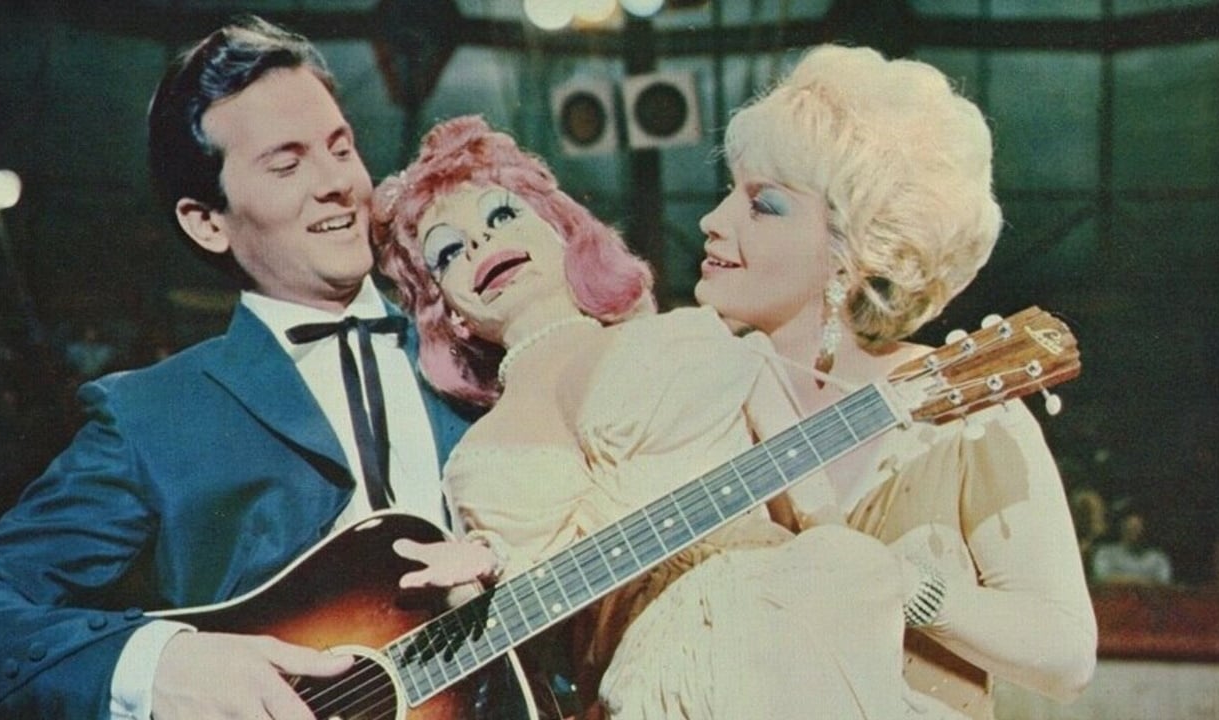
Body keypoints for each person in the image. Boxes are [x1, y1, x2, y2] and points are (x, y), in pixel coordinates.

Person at [0, 17, 502, 720]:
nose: (336, 184)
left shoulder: (487, 342)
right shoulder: (150, 416)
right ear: (207, 221)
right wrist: (160, 664)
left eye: (341, 147)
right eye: (286, 165)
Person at [374, 115, 966, 719]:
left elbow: (818, 517)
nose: (479, 244)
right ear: (451, 314)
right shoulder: (473, 461)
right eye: (448, 252)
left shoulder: (694, 336)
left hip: (779, 644)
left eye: (502, 216)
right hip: (634, 691)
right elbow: (532, 664)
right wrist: (476, 585)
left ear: (562, 232)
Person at [693, 45, 1098, 718]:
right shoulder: (693, 401)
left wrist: (910, 588)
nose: (713, 221)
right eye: (729, 193)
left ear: (853, 249)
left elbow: (1067, 655)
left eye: (763, 204)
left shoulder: (971, 420)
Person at [1091, 511, 1173, 585]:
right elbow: (1102, 578)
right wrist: (1141, 582)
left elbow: (1164, 585)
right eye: (1131, 529)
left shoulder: (1158, 558)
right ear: (1122, 529)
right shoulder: (1106, 553)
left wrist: (1121, 579)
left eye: (1138, 529)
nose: (1136, 533)